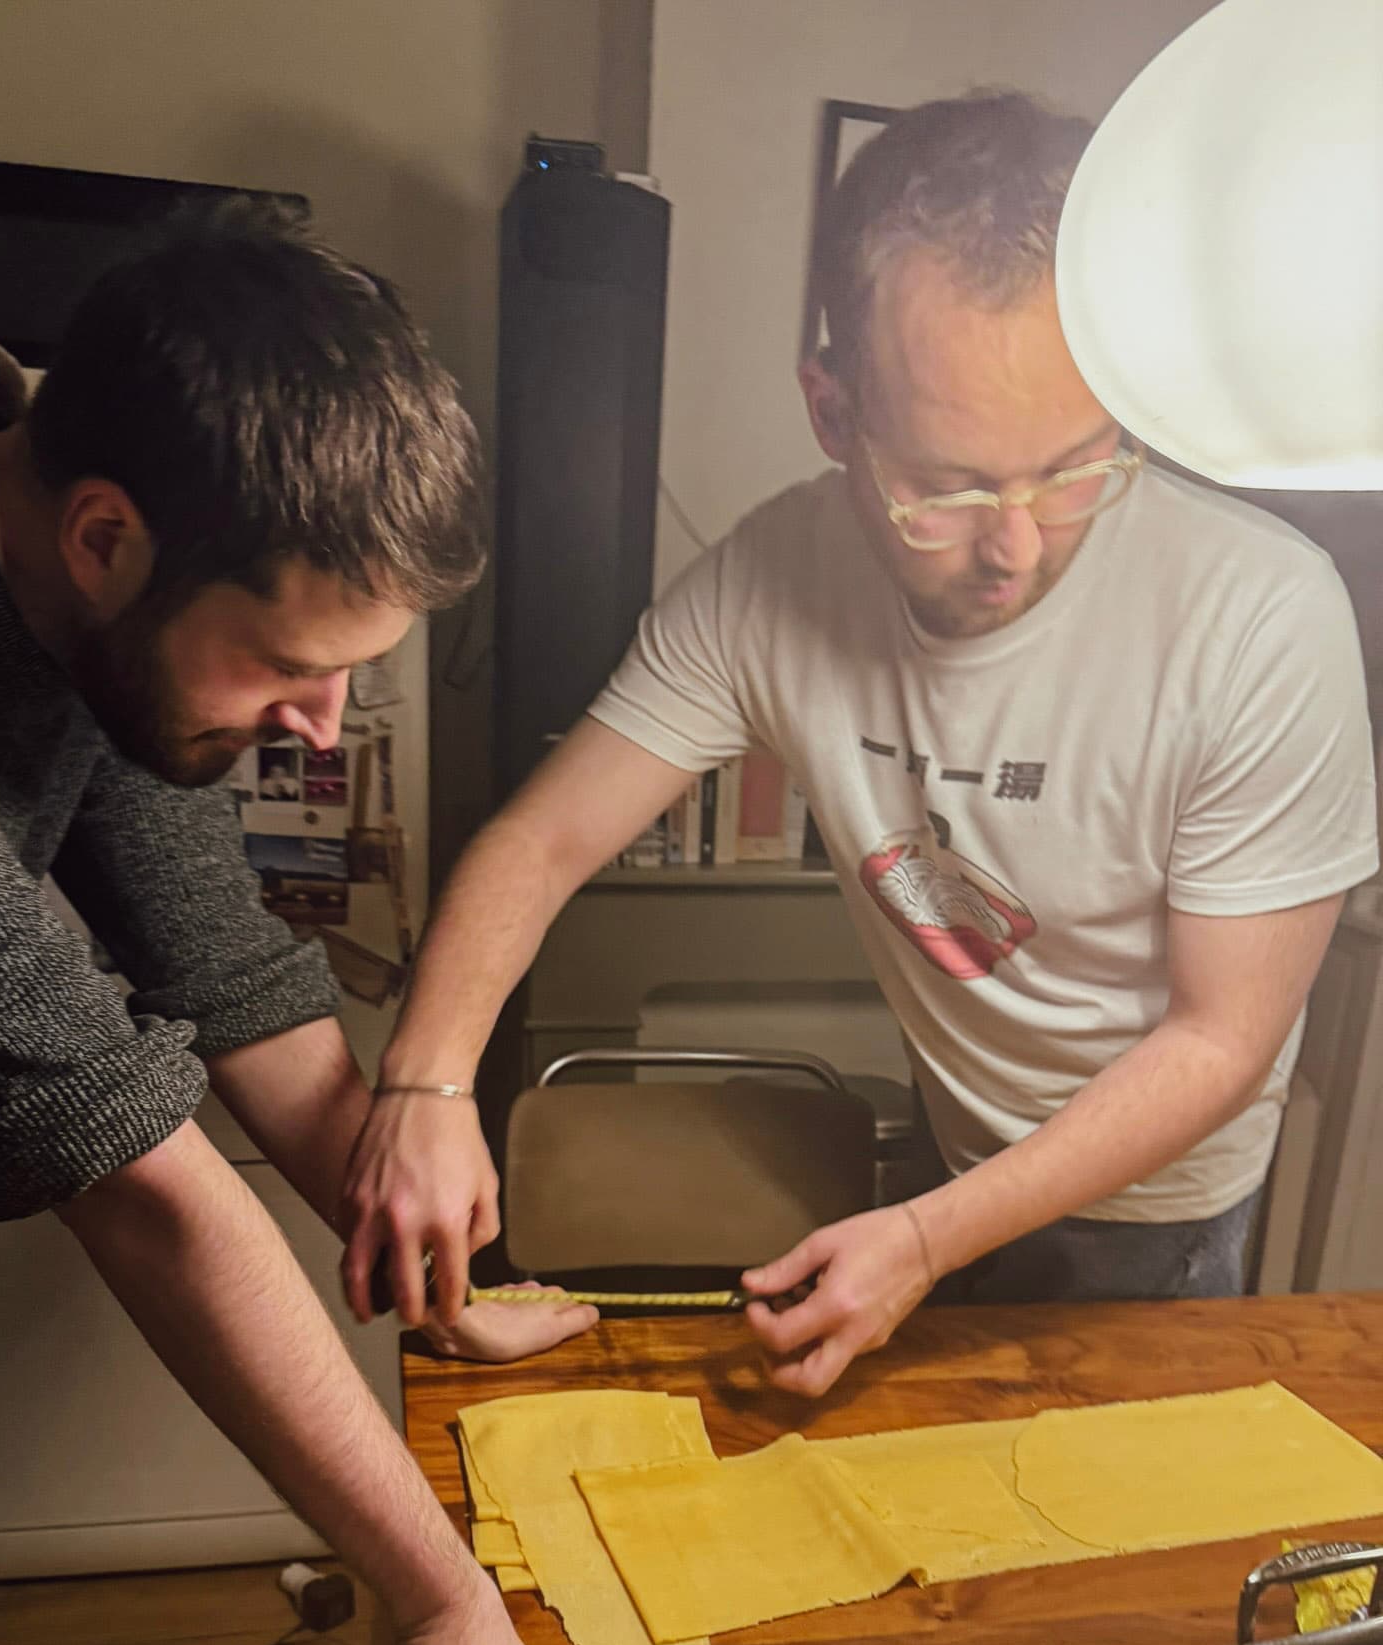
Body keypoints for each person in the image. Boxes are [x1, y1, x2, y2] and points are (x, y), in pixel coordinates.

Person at [343, 91, 1378, 1398]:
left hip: (1161, 1201)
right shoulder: (772, 580)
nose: (1015, 544)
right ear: (833, 412)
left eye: (1071, 470)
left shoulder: (1262, 614)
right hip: (955, 1145)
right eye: (946, 485)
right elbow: (541, 838)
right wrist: (424, 1086)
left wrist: (929, 1240)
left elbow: (1222, 1043)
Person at [0, 202, 596, 1645]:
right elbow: (145, 1180)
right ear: (107, 535)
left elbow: (241, 996)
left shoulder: (81, 593)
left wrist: (440, 1277)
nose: (320, 730)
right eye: (293, 668)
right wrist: (443, 1600)